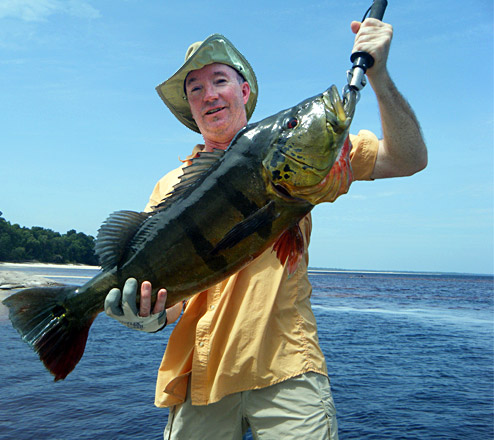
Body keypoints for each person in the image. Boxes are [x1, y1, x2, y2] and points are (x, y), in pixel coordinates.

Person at [104, 18, 427, 440]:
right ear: (190, 109)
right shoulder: (169, 189)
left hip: (287, 369)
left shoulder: (300, 161)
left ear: (244, 91)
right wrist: (146, 316)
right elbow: (173, 300)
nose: (208, 94)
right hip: (198, 380)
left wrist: (380, 77)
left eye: (219, 79)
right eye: (195, 88)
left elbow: (408, 159)